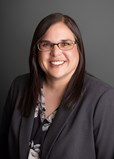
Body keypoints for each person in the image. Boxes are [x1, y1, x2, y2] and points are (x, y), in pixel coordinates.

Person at [0, 13, 114, 159]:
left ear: (79, 48)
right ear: (36, 50)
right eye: (46, 44)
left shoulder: (103, 99)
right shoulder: (19, 87)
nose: (55, 52)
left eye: (65, 44)